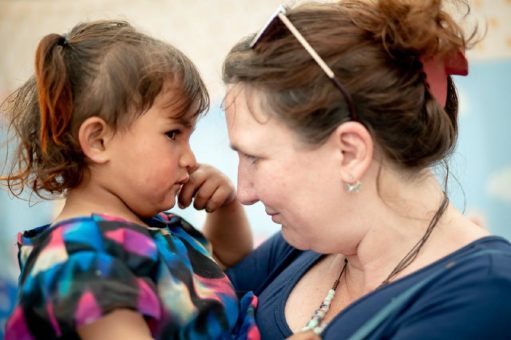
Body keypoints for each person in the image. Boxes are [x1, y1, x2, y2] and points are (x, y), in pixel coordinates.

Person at [222, 0, 511, 339]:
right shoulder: (301, 244)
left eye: (255, 158)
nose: (244, 192)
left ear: (350, 153)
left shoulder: (485, 294)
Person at [1, 20, 259, 340]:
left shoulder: (153, 227)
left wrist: (225, 206)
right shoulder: (80, 259)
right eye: (173, 134)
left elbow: (226, 258)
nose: (190, 159)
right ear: (98, 141)